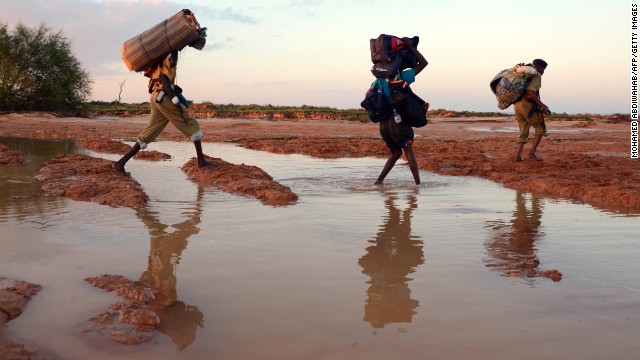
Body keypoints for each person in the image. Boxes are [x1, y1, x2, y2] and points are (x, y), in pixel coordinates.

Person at [113, 50, 215, 175]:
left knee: (150, 131)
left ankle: (120, 163)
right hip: (165, 97)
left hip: (156, 97)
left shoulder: (156, 63)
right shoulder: (167, 58)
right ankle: (201, 161)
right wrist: (176, 48)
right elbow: (170, 67)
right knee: (191, 124)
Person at [369, 38, 428, 185]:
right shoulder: (403, 77)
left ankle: (379, 181)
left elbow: (368, 95)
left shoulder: (378, 81)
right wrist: (410, 47)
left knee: (395, 153)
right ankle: (417, 186)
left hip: (385, 124)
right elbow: (424, 63)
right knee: (408, 151)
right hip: (398, 123)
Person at [513, 59, 549, 161]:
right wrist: (541, 105)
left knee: (523, 129)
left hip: (517, 105)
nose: (543, 71)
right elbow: (530, 91)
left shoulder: (523, 75)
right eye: (543, 69)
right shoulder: (536, 75)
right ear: (539, 67)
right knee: (540, 128)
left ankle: (517, 156)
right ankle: (532, 152)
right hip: (527, 105)